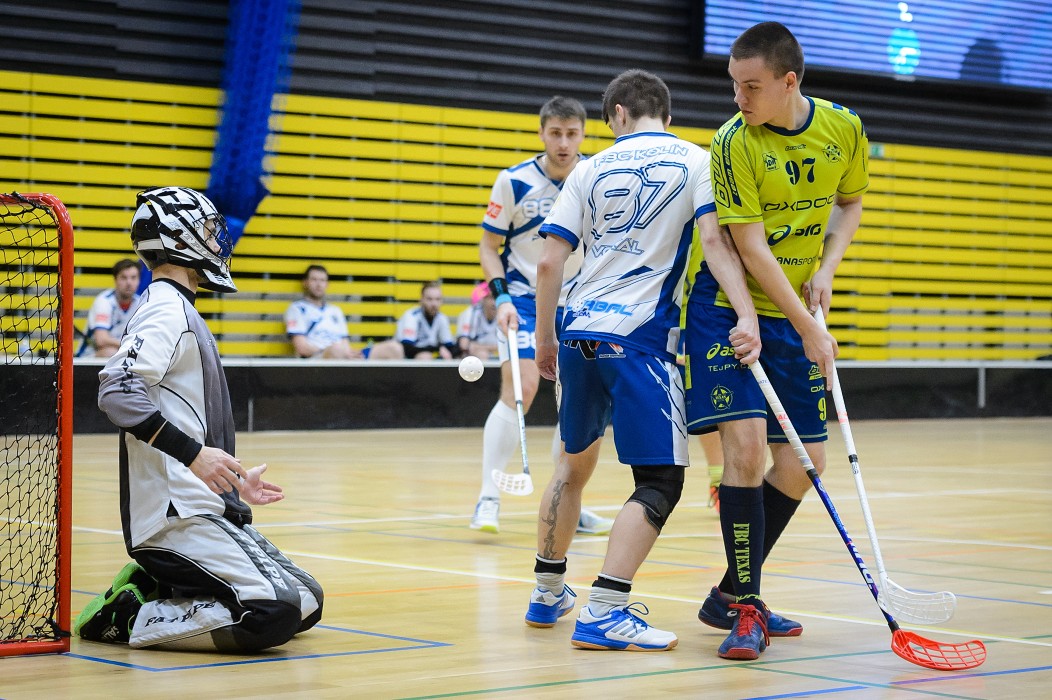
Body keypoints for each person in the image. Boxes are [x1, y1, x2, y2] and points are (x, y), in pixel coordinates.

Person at [526, 70, 759, 651]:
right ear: (665, 114)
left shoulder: (587, 167)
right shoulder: (698, 161)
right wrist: (747, 313)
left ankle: (547, 591)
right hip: (639, 338)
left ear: (617, 115)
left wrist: (545, 338)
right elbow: (714, 245)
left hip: (577, 329)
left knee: (570, 467)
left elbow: (550, 262)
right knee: (659, 481)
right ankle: (605, 608)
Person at [685, 21, 868, 660]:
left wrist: (828, 267)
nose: (739, 99)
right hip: (727, 309)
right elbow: (751, 247)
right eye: (734, 85)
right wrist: (807, 325)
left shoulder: (844, 129)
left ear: (789, 82)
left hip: (792, 310)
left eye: (752, 87)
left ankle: (732, 592)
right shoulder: (733, 142)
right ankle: (747, 607)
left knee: (805, 464)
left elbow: (849, 203)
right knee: (747, 452)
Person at [75, 186, 323, 652]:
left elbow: (183, 414)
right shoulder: (166, 309)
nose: (218, 242)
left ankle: (158, 587)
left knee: (307, 601)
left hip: (201, 507)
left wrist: (230, 481)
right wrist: (194, 458)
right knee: (274, 612)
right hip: (173, 518)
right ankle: (128, 615)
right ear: (179, 237)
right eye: (209, 231)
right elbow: (115, 390)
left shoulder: (178, 308)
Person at [470, 95, 613, 538]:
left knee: (578, 402)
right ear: (542, 133)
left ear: (584, 134)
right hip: (525, 299)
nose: (565, 143)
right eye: (556, 133)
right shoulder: (512, 182)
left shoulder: (597, 176)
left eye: (573, 134)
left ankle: (566, 495)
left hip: (581, 301)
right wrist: (502, 297)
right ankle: (487, 498)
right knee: (523, 387)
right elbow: (488, 248)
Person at [285, 264, 362, 359]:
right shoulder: (296, 309)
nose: (319, 284)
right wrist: (330, 350)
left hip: (342, 357)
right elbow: (302, 349)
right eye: (314, 280)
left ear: (327, 284)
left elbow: (345, 345)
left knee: (384, 348)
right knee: (336, 350)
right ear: (305, 282)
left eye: (322, 280)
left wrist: (352, 354)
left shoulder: (335, 310)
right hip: (315, 360)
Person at [369, 281, 457, 360]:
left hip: (422, 355)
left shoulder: (442, 318)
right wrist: (437, 349)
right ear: (421, 300)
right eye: (429, 299)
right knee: (424, 357)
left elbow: (449, 346)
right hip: (401, 358)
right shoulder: (411, 316)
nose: (434, 304)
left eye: (437, 299)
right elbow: (407, 349)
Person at [81, 258, 140, 358]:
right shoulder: (104, 301)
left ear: (139, 280)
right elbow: (101, 340)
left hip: (124, 354)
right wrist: (132, 346)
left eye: (133, 278)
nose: (129, 282)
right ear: (115, 279)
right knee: (111, 353)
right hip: (89, 358)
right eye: (124, 278)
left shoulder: (141, 303)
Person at [456, 282, 500, 359]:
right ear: (483, 299)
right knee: (482, 354)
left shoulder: (503, 313)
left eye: (497, 298)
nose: (494, 303)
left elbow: (511, 346)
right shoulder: (471, 313)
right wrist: (494, 347)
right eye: (490, 298)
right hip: (471, 359)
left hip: (496, 356)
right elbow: (464, 345)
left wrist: (478, 346)